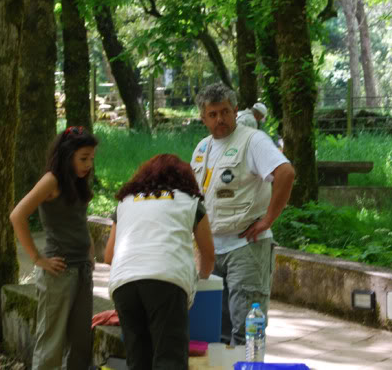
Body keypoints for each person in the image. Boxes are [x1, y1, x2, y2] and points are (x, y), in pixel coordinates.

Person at [190, 84, 295, 346]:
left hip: (245, 247)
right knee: (212, 329)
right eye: (212, 114)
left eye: (225, 112)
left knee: (246, 329)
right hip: (210, 248)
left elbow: (286, 173)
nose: (220, 119)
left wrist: (268, 219)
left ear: (236, 111)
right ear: (203, 118)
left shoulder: (253, 140)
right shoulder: (202, 148)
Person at [104, 154, 215, 370]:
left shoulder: (126, 202)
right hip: (167, 281)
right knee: (169, 359)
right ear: (185, 178)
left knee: (138, 360)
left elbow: (109, 256)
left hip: (123, 285)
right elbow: (208, 255)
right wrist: (201, 278)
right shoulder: (189, 201)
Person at [10, 126, 98, 370]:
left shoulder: (78, 183)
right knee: (51, 344)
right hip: (58, 272)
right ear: (68, 155)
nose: (88, 164)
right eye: (83, 158)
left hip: (82, 269)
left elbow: (78, 220)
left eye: (91, 158)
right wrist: (38, 258)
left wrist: (90, 252)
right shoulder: (51, 181)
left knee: (81, 343)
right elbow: (17, 215)